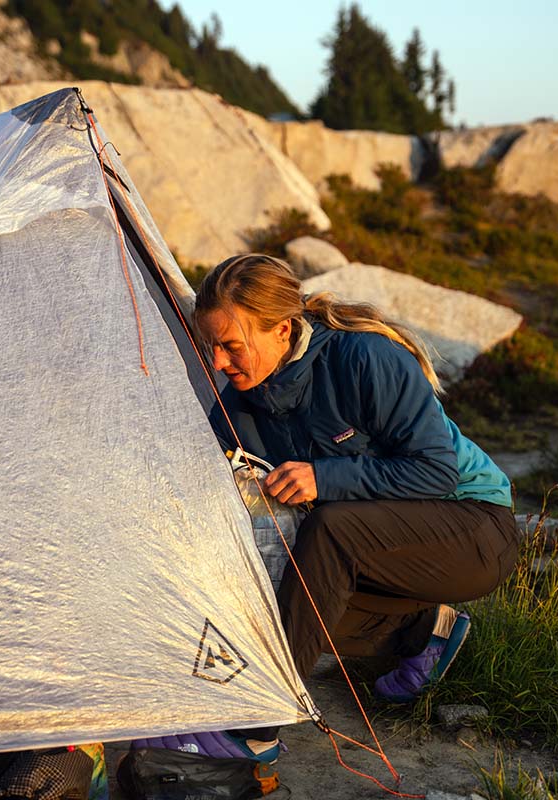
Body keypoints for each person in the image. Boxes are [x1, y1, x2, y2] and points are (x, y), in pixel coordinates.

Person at [189, 253, 520, 759]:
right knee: (277, 589)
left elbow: (434, 471)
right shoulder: (240, 402)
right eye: (210, 346)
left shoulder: (364, 359)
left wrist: (324, 477)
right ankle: (421, 631)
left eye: (231, 346)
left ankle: (264, 720)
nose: (217, 364)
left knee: (331, 527)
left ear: (282, 330)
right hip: (386, 547)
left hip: (476, 529)